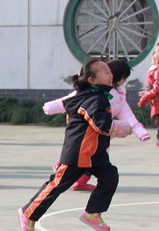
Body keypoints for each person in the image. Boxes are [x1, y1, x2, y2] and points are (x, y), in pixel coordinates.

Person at [19, 59, 116, 231]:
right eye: (105, 72)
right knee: (57, 185)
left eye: (110, 71)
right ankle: (28, 213)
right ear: (92, 80)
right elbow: (100, 124)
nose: (110, 75)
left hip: (95, 153)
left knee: (110, 176)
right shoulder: (92, 98)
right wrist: (117, 127)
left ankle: (92, 213)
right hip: (79, 152)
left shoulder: (98, 96)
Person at [43, 58, 150, 191]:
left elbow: (127, 115)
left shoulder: (119, 95)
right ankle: (64, 170)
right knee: (88, 159)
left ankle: (79, 181)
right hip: (86, 132)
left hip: (101, 134)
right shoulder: (92, 92)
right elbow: (68, 101)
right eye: (125, 78)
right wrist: (50, 107)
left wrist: (139, 131)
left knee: (95, 161)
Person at [137, 43, 159, 146]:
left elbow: (154, 89)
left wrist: (144, 99)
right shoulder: (153, 71)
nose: (154, 54)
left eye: (157, 51)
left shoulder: (155, 71)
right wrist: (143, 100)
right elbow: (150, 89)